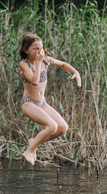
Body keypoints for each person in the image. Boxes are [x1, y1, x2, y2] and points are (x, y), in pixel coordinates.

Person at [19, 33, 81, 165]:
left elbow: (63, 64)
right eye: (35, 49)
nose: (39, 51)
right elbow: (34, 82)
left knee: (63, 128)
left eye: (41, 48)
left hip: (42, 103)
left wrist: (76, 72)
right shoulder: (24, 64)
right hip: (29, 103)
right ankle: (29, 150)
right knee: (52, 126)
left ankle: (34, 142)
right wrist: (37, 62)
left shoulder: (45, 60)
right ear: (26, 50)